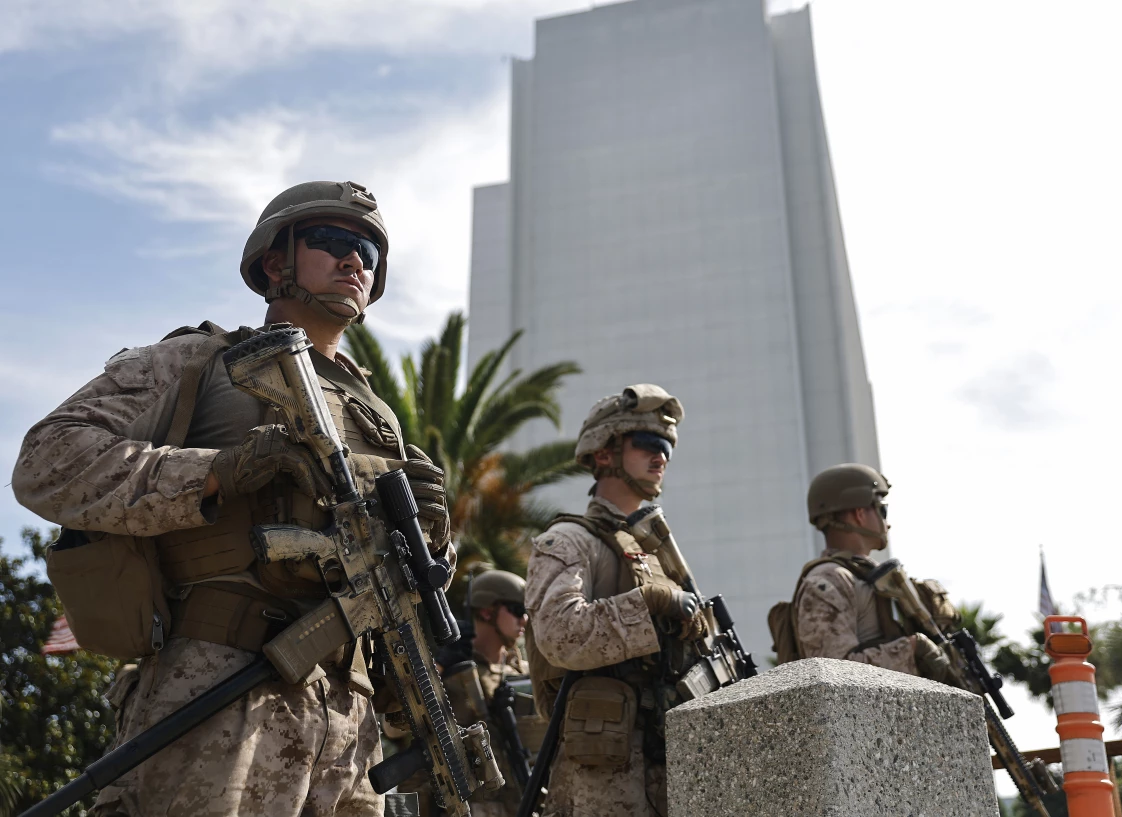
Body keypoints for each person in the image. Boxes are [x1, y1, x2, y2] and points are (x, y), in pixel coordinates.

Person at [12, 180, 452, 817]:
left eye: (369, 253)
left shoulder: (376, 415)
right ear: (275, 262)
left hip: (347, 721)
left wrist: (434, 538)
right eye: (332, 242)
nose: (355, 260)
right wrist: (219, 471)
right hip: (219, 686)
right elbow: (47, 461)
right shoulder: (200, 362)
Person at [524, 384, 706, 817]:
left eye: (666, 448)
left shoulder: (655, 551)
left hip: (665, 764)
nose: (660, 457)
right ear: (603, 454)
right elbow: (560, 635)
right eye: (646, 444)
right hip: (600, 778)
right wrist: (649, 602)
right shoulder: (568, 541)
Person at [774, 463, 953, 680]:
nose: (887, 523)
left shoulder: (872, 577)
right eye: (882, 510)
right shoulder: (827, 580)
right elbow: (833, 674)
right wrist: (911, 649)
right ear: (859, 514)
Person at [437, 569, 537, 817]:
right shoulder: (454, 671)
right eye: (516, 609)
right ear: (486, 611)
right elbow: (396, 729)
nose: (524, 619)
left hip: (523, 799)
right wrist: (439, 669)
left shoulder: (524, 671)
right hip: (474, 806)